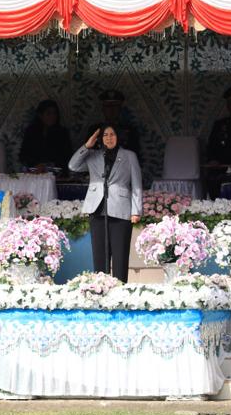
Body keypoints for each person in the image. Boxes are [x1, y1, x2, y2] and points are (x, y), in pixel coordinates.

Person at [68, 125, 143, 282]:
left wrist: (136, 210)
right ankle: (101, 287)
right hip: (97, 208)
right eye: (105, 135)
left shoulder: (129, 156)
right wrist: (87, 146)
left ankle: (120, 288)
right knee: (99, 254)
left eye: (112, 134)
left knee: (120, 254)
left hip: (121, 208)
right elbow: (73, 166)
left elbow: (136, 184)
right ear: (100, 138)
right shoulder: (92, 155)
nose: (109, 137)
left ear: (118, 136)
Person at [19, 99, 73, 173]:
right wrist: (37, 165)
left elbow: (67, 156)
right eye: (48, 113)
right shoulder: (31, 132)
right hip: (35, 172)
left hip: (57, 173)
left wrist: (49, 165)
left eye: (55, 113)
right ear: (40, 115)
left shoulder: (62, 133)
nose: (52, 116)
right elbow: (23, 155)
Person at [85, 90, 141, 161]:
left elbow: (136, 158)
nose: (111, 109)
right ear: (103, 109)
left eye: (115, 106)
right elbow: (87, 156)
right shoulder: (94, 130)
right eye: (108, 106)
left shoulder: (130, 131)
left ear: (120, 108)